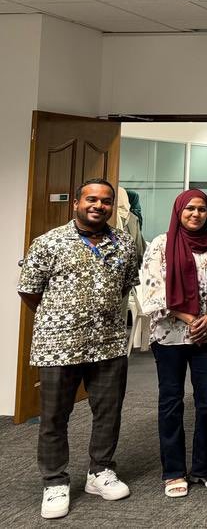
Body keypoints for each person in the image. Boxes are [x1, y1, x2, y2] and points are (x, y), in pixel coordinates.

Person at [18, 179, 139, 520]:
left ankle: (100, 471)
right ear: (76, 203)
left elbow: (125, 287)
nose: (98, 205)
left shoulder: (125, 244)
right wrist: (62, 317)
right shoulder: (48, 242)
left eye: (105, 201)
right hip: (59, 345)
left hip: (108, 343)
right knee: (55, 416)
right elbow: (29, 291)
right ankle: (55, 481)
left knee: (109, 412)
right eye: (91, 199)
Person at [139, 190, 207, 498]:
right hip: (169, 336)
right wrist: (192, 319)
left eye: (202, 209)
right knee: (172, 401)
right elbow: (153, 292)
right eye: (190, 208)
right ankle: (174, 471)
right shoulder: (161, 244)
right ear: (179, 211)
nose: (196, 214)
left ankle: (204, 467)